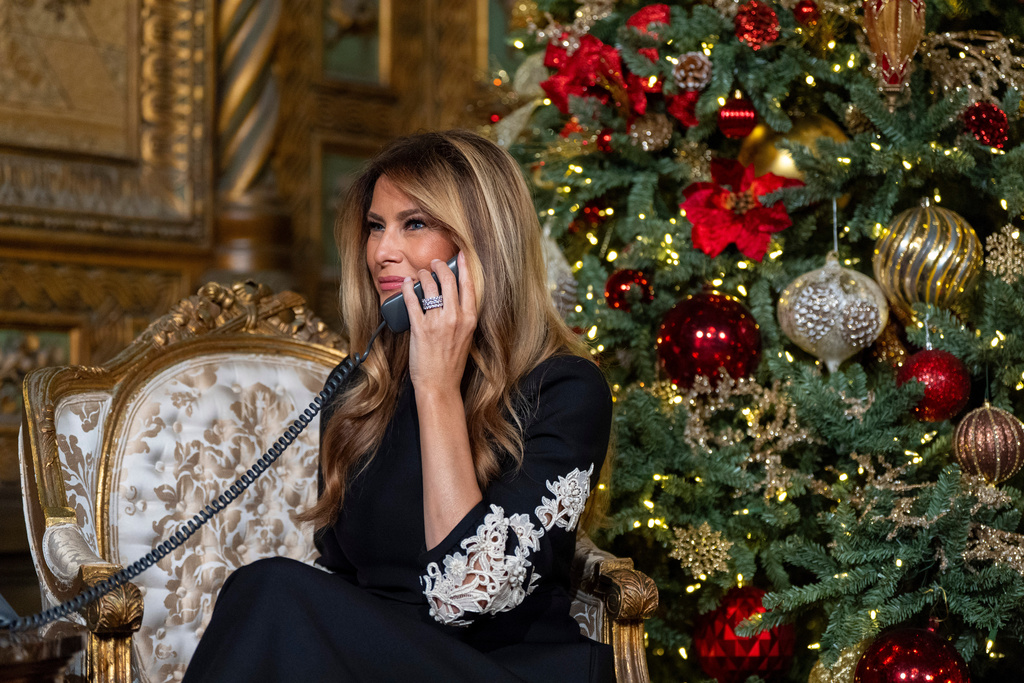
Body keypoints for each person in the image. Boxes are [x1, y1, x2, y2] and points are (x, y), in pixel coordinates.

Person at [183, 130, 614, 682]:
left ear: (481, 246)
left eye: (414, 224)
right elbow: (342, 576)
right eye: (375, 226)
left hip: (502, 667)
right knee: (270, 592)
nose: (383, 251)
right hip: (379, 665)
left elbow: (468, 592)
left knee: (269, 587)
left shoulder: (567, 390)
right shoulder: (362, 391)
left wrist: (436, 386)